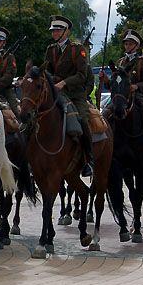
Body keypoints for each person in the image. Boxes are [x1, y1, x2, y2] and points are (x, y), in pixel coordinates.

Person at [44, 15, 95, 174]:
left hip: (75, 94)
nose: (55, 33)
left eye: (58, 30)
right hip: (56, 93)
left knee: (83, 120)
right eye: (53, 31)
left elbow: (82, 75)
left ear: (67, 32)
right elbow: (47, 70)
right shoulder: (51, 50)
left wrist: (64, 83)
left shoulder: (77, 49)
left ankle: (88, 159)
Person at [0, 26, 20, 117]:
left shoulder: (9, 57)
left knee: (16, 111)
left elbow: (10, 74)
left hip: (4, 89)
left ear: (4, 42)